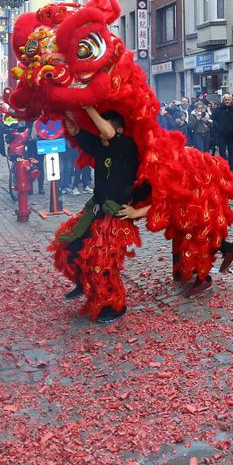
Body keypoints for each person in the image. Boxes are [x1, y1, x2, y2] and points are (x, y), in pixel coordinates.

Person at [60, 108, 152, 323]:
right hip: (96, 208)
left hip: (116, 216)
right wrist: (66, 113)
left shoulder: (128, 147)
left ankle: (115, 306)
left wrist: (87, 107)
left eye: (106, 125)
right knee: (69, 246)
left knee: (104, 262)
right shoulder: (101, 147)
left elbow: (162, 196)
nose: (101, 130)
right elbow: (78, 132)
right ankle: (84, 283)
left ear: (119, 130)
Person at [212, 93, 233, 170]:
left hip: (232, 134)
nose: (227, 101)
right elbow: (214, 120)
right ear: (223, 100)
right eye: (225, 100)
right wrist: (220, 128)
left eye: (228, 100)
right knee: (222, 151)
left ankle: (232, 167)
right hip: (221, 134)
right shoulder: (218, 109)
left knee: (232, 151)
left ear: (231, 100)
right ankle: (223, 167)